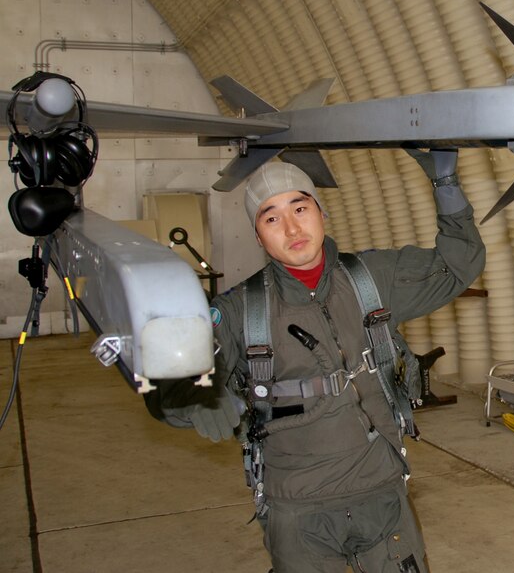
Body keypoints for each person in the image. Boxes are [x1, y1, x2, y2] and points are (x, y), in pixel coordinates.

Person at [145, 151, 485, 572]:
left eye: (300, 208)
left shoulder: (372, 278)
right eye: (271, 218)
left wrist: (446, 184)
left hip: (382, 494)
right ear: (258, 236)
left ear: (321, 213)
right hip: (299, 511)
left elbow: (458, 266)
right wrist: (192, 398)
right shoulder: (238, 312)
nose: (291, 228)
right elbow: (167, 383)